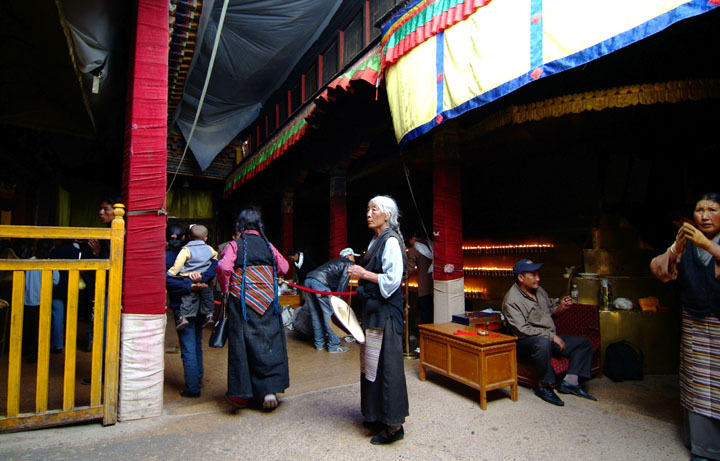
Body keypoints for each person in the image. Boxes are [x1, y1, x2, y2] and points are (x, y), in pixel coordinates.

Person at [650, 192, 720, 461]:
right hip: (695, 326)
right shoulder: (686, 243)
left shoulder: (706, 242)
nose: (704, 215)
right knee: (699, 386)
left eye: (712, 209)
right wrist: (675, 250)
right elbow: (658, 269)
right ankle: (703, 449)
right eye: (700, 210)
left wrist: (708, 245)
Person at [347, 195, 409, 445]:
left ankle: (394, 426)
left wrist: (363, 273)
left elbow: (393, 280)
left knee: (388, 368)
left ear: (387, 215)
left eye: (374, 209)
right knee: (371, 366)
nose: (369, 214)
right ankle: (375, 415)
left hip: (387, 316)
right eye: (368, 209)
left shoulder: (391, 241)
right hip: (374, 313)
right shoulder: (375, 240)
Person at [217, 207, 290, 411]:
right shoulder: (268, 245)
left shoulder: (235, 245)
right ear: (260, 225)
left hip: (243, 304)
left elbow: (224, 268)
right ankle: (269, 390)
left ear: (240, 225)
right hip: (267, 303)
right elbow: (284, 267)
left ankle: (242, 396)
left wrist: (225, 288)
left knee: (242, 346)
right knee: (270, 342)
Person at [502, 258, 597, 406]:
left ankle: (570, 382)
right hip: (524, 342)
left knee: (584, 343)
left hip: (548, 337)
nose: (538, 278)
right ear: (521, 278)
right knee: (542, 342)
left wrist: (560, 307)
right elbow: (522, 330)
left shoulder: (539, 291)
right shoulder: (512, 301)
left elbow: (550, 308)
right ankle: (544, 386)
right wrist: (552, 336)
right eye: (533, 275)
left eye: (538, 274)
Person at [166, 224, 218, 398]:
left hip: (182, 305)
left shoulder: (178, 255)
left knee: (188, 345)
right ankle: (198, 377)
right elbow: (215, 264)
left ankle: (193, 387)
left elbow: (167, 278)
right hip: (200, 302)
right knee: (196, 341)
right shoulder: (204, 251)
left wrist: (189, 283)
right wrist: (203, 279)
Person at [303, 247, 359, 353]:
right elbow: (343, 284)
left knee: (315, 314)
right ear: (347, 256)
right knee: (329, 314)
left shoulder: (336, 262)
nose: (354, 259)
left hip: (309, 280)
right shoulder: (348, 264)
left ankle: (319, 344)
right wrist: (338, 303)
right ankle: (333, 345)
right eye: (353, 256)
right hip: (319, 283)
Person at [167, 224, 217, 330]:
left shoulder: (186, 250)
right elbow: (215, 258)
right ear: (206, 238)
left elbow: (178, 263)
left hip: (188, 277)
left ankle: (183, 317)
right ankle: (209, 315)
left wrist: (171, 273)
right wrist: (203, 274)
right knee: (207, 296)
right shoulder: (210, 249)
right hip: (204, 278)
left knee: (187, 298)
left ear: (189, 237)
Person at [22, 239, 60, 362]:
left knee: (27, 327)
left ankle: (25, 351)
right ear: (50, 250)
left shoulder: (28, 263)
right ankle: (36, 354)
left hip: (27, 301)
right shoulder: (51, 264)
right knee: (40, 330)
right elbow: (55, 281)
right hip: (43, 301)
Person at [407, 232, 433, 332]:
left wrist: (403, 278)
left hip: (424, 283)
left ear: (413, 238)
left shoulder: (414, 249)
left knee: (425, 309)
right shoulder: (431, 245)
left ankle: (425, 333)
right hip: (435, 282)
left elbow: (410, 269)